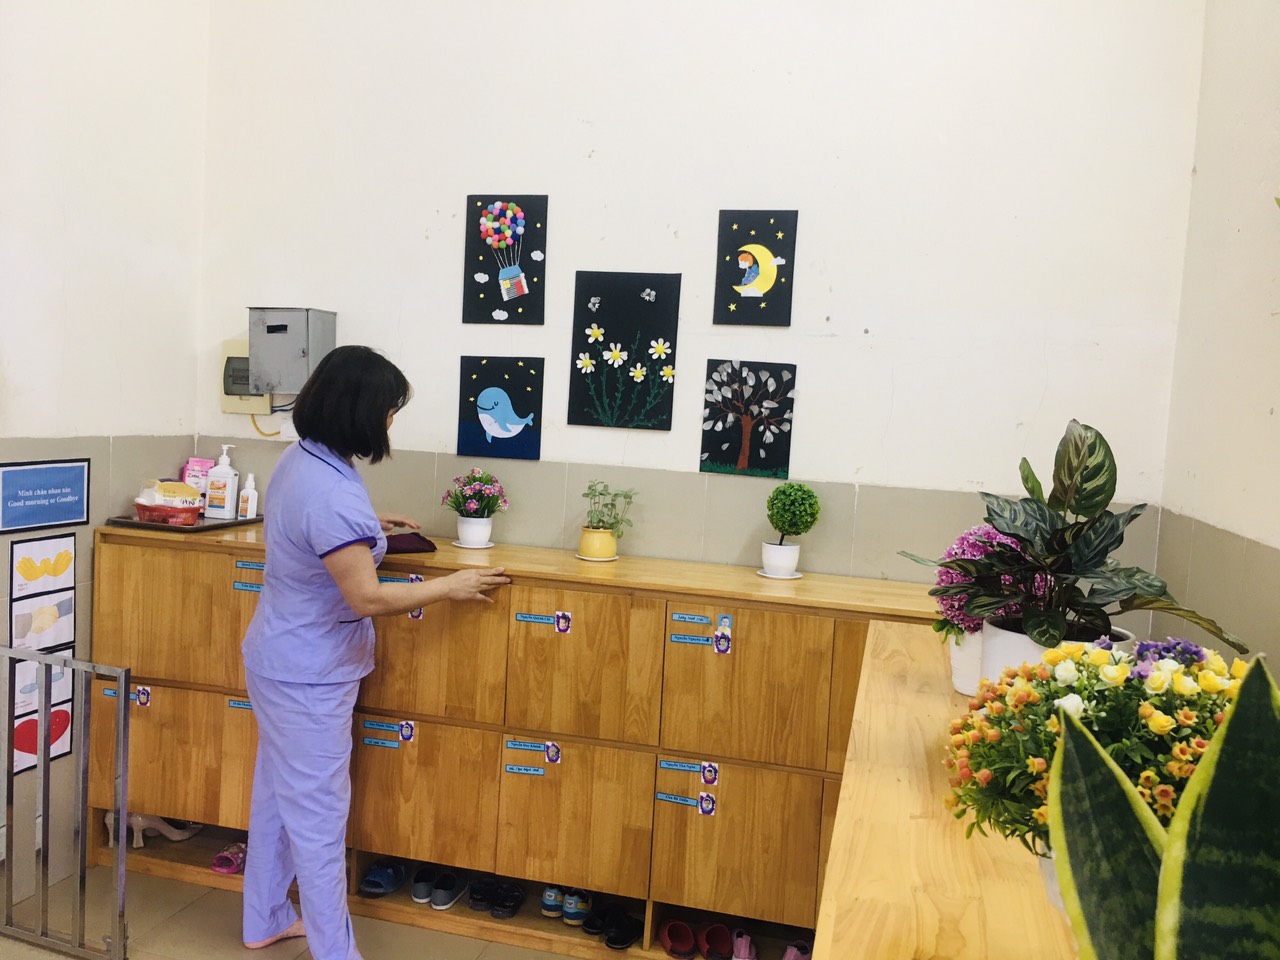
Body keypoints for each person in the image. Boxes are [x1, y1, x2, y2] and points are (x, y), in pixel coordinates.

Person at [239, 345, 509, 960]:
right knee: (318, 821)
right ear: (358, 411)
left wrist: (368, 528)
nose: (390, 421)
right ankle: (337, 953)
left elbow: (314, 529)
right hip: (307, 676)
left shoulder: (304, 458)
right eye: (388, 410)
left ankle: (265, 917)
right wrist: (450, 587)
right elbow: (365, 596)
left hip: (279, 659)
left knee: (277, 797)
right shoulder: (330, 494)